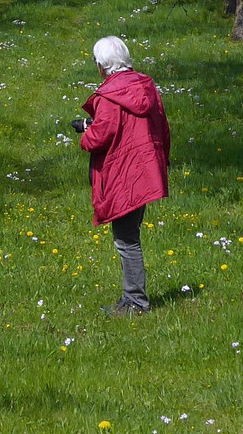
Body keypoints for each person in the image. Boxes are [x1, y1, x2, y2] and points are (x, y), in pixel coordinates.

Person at [73, 36, 170, 314]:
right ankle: (132, 298)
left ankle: (135, 301)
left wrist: (85, 134)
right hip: (146, 171)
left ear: (102, 65)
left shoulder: (109, 95)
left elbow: (98, 139)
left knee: (126, 240)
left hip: (124, 175)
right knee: (130, 234)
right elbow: (161, 127)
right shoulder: (146, 86)